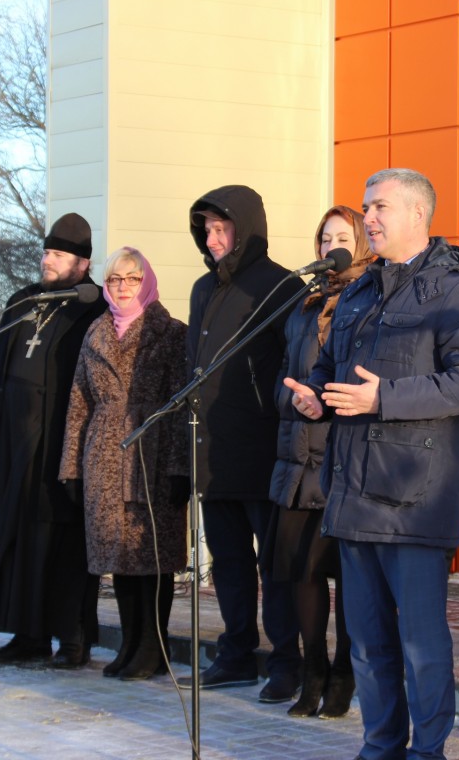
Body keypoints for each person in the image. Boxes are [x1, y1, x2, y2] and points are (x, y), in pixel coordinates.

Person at [285, 168, 459, 760]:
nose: (368, 219)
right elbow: (331, 370)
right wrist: (314, 396)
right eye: (365, 207)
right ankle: (380, 747)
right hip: (352, 497)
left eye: (378, 208)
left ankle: (428, 753)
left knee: (421, 645)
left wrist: (385, 398)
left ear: (416, 215)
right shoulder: (355, 290)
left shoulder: (454, 290)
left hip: (413, 499)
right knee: (367, 645)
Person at [179, 184, 303, 703]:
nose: (212, 238)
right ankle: (234, 653)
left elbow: (292, 366)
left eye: (222, 227)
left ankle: (286, 662)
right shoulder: (203, 290)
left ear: (245, 228)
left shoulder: (281, 286)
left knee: (274, 567)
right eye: (206, 229)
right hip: (215, 451)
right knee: (227, 561)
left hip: (262, 450)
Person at [0, 213, 108, 669]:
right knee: (17, 537)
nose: (48, 261)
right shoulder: (23, 301)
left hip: (60, 442)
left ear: (82, 263)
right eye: (47, 252)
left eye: (59, 255)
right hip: (13, 443)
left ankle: (72, 639)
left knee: (61, 542)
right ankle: (27, 635)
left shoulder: (93, 305)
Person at [59, 247, 189, 681]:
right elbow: (78, 402)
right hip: (104, 455)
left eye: (131, 279)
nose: (122, 287)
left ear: (146, 281)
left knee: (150, 557)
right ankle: (131, 643)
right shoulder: (95, 331)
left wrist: (178, 468)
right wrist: (72, 468)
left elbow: (181, 403)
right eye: (115, 280)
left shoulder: (169, 332)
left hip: (152, 455)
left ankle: (153, 648)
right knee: (120, 559)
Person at [265, 205, 373, 718]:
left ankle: (346, 670)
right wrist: (293, 398)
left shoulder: (371, 297)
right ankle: (313, 671)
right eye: (324, 237)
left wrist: (324, 399)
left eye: (342, 236)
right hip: (297, 455)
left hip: (343, 455)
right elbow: (283, 376)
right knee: (300, 570)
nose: (332, 246)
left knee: (345, 573)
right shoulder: (303, 306)